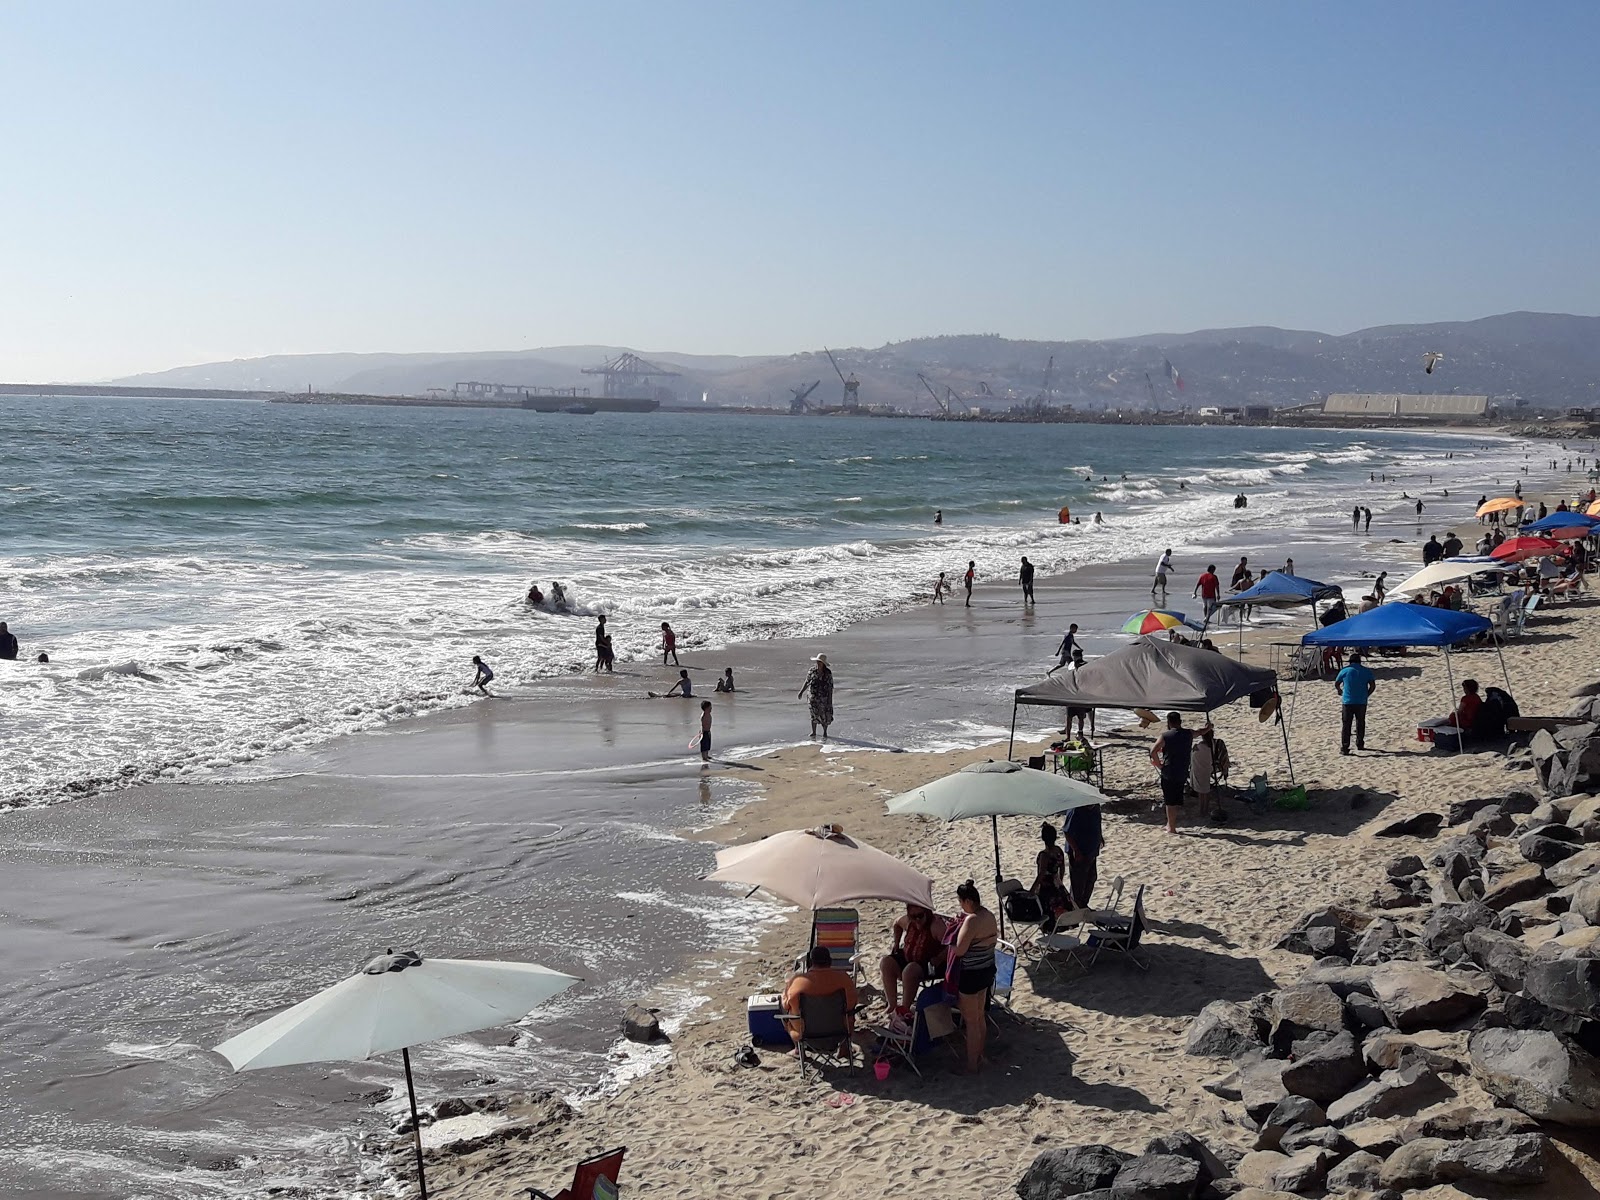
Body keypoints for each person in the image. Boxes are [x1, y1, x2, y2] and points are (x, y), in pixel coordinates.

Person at [949, 880, 998, 1074]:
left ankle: (971, 1065)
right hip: (987, 971)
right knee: (979, 1017)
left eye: (961, 902)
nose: (961, 906)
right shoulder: (989, 915)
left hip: (971, 974)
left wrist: (950, 941)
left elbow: (959, 950)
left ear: (968, 901)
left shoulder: (972, 920)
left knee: (971, 1021)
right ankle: (980, 1056)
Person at [782, 945, 858, 1053]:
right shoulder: (844, 978)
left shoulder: (797, 981)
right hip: (841, 1033)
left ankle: (798, 1050)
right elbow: (852, 1004)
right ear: (830, 961)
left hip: (804, 1034)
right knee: (850, 1013)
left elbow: (786, 1005)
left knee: (783, 1009)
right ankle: (844, 1048)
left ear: (811, 962)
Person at [879, 904, 947, 1017]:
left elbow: (953, 945)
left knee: (910, 970)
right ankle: (892, 1005)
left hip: (930, 963)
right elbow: (896, 924)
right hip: (909, 957)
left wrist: (940, 957)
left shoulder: (936, 926)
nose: (917, 919)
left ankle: (905, 1009)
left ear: (927, 913)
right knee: (886, 962)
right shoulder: (908, 922)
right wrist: (896, 943)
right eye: (913, 916)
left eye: (920, 915)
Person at [1150, 712, 1193, 835]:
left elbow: (1153, 751)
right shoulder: (1188, 734)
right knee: (1176, 798)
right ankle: (1170, 823)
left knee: (1170, 801)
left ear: (1169, 722)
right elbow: (1200, 732)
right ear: (1180, 721)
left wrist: (1158, 764)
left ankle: (1171, 827)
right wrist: (1208, 727)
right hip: (1182, 771)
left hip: (1169, 771)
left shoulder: (1166, 736)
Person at [1333, 651, 1377, 754]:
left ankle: (1345, 747)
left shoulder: (1345, 670)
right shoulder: (1366, 671)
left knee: (1346, 725)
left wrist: (1339, 691)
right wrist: (1367, 694)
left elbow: (1337, 683)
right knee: (1360, 722)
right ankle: (1360, 743)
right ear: (1360, 662)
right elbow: (1372, 685)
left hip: (1347, 701)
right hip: (1361, 701)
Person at [1061, 801, 1102, 908]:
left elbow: (1097, 822)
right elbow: (1067, 832)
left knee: (1091, 878)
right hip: (1079, 852)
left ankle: (1083, 904)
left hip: (1092, 850)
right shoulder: (1076, 810)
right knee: (1078, 882)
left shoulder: (1096, 807)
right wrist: (1076, 851)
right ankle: (1076, 906)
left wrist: (1100, 837)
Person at [1421, 679, 1483, 744]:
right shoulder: (1477, 697)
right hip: (1476, 719)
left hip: (1468, 721)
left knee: (1453, 716)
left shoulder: (1466, 699)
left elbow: (1460, 711)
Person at [1031, 822, 1069, 923]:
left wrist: (1033, 888)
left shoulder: (1044, 855)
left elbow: (1041, 873)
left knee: (1047, 911)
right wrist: (1060, 880)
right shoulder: (1059, 851)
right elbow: (1062, 867)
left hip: (1046, 886)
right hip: (1056, 882)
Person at [799, 654, 834, 739]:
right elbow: (807, 682)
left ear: (823, 663)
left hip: (824, 698)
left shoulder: (828, 673)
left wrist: (830, 700)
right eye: (817, 661)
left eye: (820, 662)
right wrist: (801, 692)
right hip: (813, 697)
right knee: (813, 714)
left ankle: (825, 732)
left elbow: (830, 687)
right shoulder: (812, 671)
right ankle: (813, 732)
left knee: (824, 716)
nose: (818, 663)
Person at [1190, 725, 1216, 820]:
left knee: (1201, 792)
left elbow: (1193, 754)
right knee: (1206, 790)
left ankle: (1202, 810)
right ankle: (1206, 809)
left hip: (1199, 770)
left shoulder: (1199, 746)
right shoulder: (1211, 745)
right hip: (1207, 769)